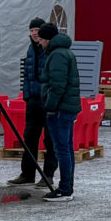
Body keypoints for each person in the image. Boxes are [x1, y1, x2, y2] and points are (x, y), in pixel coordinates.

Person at [14, 18, 60, 190]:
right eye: (32, 30)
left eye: (37, 30)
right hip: (33, 101)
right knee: (29, 137)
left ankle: (48, 175)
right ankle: (27, 174)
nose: (34, 33)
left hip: (47, 102)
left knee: (50, 140)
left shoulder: (50, 50)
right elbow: (27, 75)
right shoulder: (30, 49)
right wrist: (27, 95)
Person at [38, 26, 81, 199]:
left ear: (48, 39)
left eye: (41, 39)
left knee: (62, 149)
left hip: (60, 110)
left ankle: (64, 189)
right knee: (67, 148)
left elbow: (57, 85)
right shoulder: (65, 52)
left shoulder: (57, 55)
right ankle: (67, 187)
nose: (39, 43)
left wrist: (49, 105)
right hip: (67, 107)